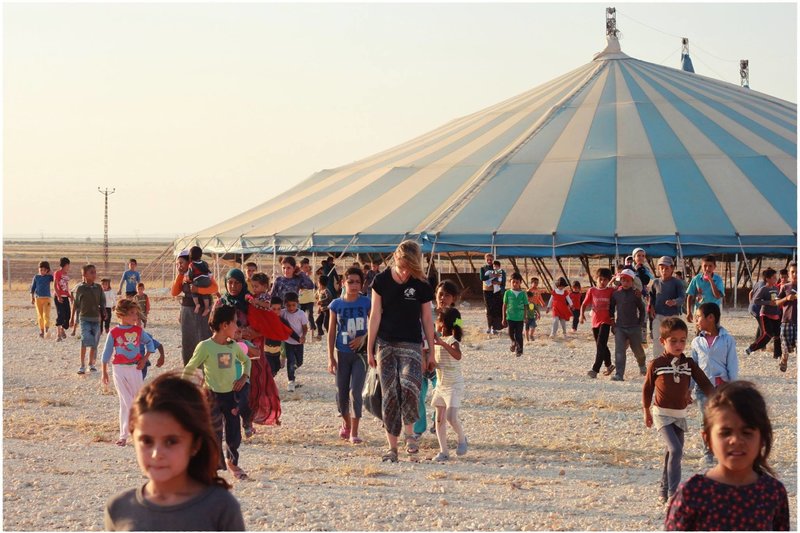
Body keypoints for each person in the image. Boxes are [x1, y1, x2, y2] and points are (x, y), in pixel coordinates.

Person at [104, 373, 245, 531]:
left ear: (195, 444)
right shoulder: (119, 508)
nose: (157, 453)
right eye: (147, 441)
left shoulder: (220, 507)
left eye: (171, 441)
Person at [664, 381, 789, 531]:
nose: (735, 440)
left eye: (747, 432)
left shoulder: (772, 493)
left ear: (762, 438)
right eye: (725, 433)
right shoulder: (692, 493)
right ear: (708, 439)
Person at [368, 240, 435, 463]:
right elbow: (375, 314)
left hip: (412, 342)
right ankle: (392, 448)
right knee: (390, 393)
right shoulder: (381, 280)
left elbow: (427, 318)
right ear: (396, 258)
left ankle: (410, 434)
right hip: (385, 342)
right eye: (402, 264)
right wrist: (370, 348)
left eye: (410, 265)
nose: (405, 269)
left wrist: (431, 352)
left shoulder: (421, 283)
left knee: (410, 386)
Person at [643, 317, 714, 505]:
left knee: (670, 452)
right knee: (676, 450)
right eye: (673, 341)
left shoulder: (689, 364)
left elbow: (705, 383)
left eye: (682, 340)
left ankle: (663, 490)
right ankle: (674, 494)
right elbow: (647, 389)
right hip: (661, 414)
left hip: (680, 415)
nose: (678, 344)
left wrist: (721, 399)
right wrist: (646, 411)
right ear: (662, 342)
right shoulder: (656, 364)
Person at [182, 305, 251, 480]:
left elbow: (246, 361)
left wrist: (244, 377)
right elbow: (190, 368)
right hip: (211, 396)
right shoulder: (205, 346)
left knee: (234, 432)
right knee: (213, 433)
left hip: (231, 396)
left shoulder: (234, 346)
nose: (238, 326)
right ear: (225, 325)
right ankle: (212, 466)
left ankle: (232, 463)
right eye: (235, 323)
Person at [101, 299, 155, 446]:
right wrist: (104, 372)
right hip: (118, 369)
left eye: (136, 314)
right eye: (132, 314)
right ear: (121, 315)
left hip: (135, 369)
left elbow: (150, 344)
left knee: (135, 400)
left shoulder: (138, 331)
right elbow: (106, 353)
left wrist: (145, 359)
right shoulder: (114, 332)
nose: (135, 317)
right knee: (126, 401)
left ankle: (133, 433)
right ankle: (127, 434)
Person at [327, 266, 371, 444]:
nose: (354, 285)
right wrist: (330, 357)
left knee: (356, 392)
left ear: (362, 284)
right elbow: (331, 331)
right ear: (343, 283)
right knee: (341, 393)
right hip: (342, 353)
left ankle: (354, 431)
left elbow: (376, 324)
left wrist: (363, 338)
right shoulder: (336, 305)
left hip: (360, 355)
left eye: (357, 282)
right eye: (350, 281)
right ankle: (345, 424)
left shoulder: (367, 302)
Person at [691, 302, 738, 466]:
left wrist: (733, 388)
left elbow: (732, 364)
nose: (696, 321)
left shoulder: (727, 340)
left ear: (710, 318)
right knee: (705, 421)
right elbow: (693, 368)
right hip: (702, 389)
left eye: (698, 317)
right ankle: (707, 453)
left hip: (722, 388)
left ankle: (723, 450)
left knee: (723, 421)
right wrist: (687, 390)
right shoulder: (696, 342)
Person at [415, 279, 461, 438]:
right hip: (423, 358)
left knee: (440, 395)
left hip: (442, 364)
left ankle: (437, 423)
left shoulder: (456, 316)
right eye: (440, 294)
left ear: (453, 298)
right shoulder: (426, 312)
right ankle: (418, 429)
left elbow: (459, 335)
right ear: (435, 295)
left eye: (447, 295)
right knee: (419, 394)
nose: (443, 298)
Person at [431, 307, 468, 462]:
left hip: (454, 385)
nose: (436, 323)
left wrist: (441, 343)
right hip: (441, 385)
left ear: (443, 323)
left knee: (451, 418)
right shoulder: (437, 340)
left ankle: (462, 438)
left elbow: (457, 356)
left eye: (438, 320)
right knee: (439, 419)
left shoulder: (453, 341)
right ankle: (444, 451)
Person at [171, 251, 218, 366]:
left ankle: (208, 370)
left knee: (205, 338)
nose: (179, 266)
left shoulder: (202, 272)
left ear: (189, 262)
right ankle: (190, 371)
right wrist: (180, 274)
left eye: (181, 263)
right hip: (187, 312)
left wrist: (198, 291)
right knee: (188, 341)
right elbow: (174, 292)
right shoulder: (184, 275)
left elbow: (214, 288)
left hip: (203, 312)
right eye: (177, 264)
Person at [609, 269, 647, 381]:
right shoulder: (616, 294)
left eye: (628, 280)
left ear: (632, 281)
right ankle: (619, 374)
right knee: (619, 351)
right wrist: (613, 323)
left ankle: (642, 365)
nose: (625, 283)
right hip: (620, 327)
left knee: (637, 350)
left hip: (634, 327)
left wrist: (640, 324)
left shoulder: (636, 294)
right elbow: (611, 308)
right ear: (620, 280)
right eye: (623, 280)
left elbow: (642, 310)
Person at [71, 264, 106, 374]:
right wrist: (72, 318)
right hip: (84, 318)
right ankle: (82, 365)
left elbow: (102, 302)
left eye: (95, 272)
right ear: (84, 275)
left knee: (94, 343)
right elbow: (75, 304)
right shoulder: (80, 288)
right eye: (92, 272)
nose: (94, 274)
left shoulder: (98, 287)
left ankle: (91, 364)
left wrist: (104, 311)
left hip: (96, 319)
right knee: (85, 340)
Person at [648, 256, 686, 359]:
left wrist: (674, 302)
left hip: (672, 317)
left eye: (667, 268)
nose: (664, 270)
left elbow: (682, 297)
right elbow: (651, 297)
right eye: (661, 268)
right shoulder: (656, 282)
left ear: (672, 269)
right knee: (657, 339)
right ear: (658, 269)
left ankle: (674, 359)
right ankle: (658, 361)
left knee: (673, 339)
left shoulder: (677, 283)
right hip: (658, 315)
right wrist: (651, 307)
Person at [581, 268, 615, 378]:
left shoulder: (611, 291)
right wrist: (581, 315)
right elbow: (584, 304)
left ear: (608, 280)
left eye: (605, 280)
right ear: (596, 279)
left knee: (600, 344)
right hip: (595, 322)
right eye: (600, 279)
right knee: (601, 345)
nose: (602, 282)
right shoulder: (591, 291)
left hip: (606, 321)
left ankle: (595, 369)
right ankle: (609, 365)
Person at [745, 268, 783, 361]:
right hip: (765, 314)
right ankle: (751, 348)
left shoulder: (776, 288)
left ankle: (777, 355)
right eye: (774, 278)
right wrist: (768, 302)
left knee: (778, 335)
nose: (776, 279)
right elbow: (755, 300)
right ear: (767, 279)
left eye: (776, 277)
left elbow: (777, 299)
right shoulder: (763, 289)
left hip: (775, 314)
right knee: (767, 335)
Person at [280, 292, 308, 392]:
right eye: (288, 305)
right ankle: (291, 380)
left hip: (299, 342)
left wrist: (303, 336)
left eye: (293, 305)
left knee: (299, 362)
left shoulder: (301, 314)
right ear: (285, 304)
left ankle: (292, 369)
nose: (291, 308)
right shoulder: (283, 312)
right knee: (290, 361)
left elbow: (305, 327)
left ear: (297, 303)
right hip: (288, 342)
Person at [685, 255, 724, 322]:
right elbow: (690, 296)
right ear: (701, 266)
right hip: (699, 311)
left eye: (710, 266)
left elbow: (717, 296)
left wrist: (711, 280)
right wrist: (689, 312)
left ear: (714, 267)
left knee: (713, 331)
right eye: (705, 266)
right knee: (699, 331)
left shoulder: (718, 280)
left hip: (713, 312)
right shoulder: (696, 279)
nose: (707, 268)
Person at [777, 262, 797, 372]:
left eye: (797, 272)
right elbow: (776, 302)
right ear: (789, 274)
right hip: (786, 323)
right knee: (786, 349)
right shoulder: (785, 287)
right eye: (792, 272)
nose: (795, 274)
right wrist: (786, 298)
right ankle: (784, 359)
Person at [502, 272, 528, 356]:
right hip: (510, 317)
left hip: (520, 318)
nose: (515, 284)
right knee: (510, 332)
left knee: (519, 334)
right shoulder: (507, 293)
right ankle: (513, 342)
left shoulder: (523, 293)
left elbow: (525, 306)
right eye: (513, 282)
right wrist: (503, 318)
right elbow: (504, 305)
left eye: (517, 282)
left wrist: (525, 317)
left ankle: (519, 350)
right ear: (510, 282)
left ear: (520, 283)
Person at [632, 247, 653, 344]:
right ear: (634, 257)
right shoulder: (629, 269)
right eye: (638, 255)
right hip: (632, 298)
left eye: (643, 256)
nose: (640, 258)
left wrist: (640, 270)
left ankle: (643, 339)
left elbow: (648, 281)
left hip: (644, 298)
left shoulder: (646, 269)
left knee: (643, 317)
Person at [186, 246, 215, 316]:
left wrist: (190, 280)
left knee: (193, 291)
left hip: (198, 281)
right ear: (200, 255)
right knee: (205, 293)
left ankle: (197, 304)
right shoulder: (204, 263)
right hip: (207, 280)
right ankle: (207, 308)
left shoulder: (191, 265)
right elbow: (207, 271)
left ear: (191, 256)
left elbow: (190, 275)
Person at [30, 260, 54, 338]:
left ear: (47, 270)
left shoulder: (49, 277)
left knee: (46, 314)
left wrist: (50, 271)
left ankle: (47, 329)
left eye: (44, 270)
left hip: (47, 299)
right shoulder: (36, 277)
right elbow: (32, 288)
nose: (42, 271)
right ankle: (42, 331)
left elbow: (55, 277)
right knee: (40, 316)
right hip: (38, 299)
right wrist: (32, 297)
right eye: (40, 270)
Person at [53, 257, 73, 342]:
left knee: (68, 314)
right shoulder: (58, 273)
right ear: (65, 265)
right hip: (58, 297)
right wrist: (58, 296)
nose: (69, 267)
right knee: (60, 314)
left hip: (65, 297)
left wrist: (69, 295)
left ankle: (62, 329)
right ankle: (58, 334)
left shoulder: (66, 275)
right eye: (68, 265)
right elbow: (55, 285)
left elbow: (65, 287)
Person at [480, 253, 497, 334]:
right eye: (488, 259)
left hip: (494, 290)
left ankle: (494, 327)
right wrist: (491, 275)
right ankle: (489, 327)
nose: (489, 261)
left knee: (494, 309)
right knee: (488, 310)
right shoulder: (483, 268)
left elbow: (499, 276)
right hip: (486, 290)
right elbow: (482, 278)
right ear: (485, 260)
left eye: (491, 259)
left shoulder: (495, 267)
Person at [298, 259, 316, 332]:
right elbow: (308, 286)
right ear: (301, 268)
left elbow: (312, 286)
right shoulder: (300, 276)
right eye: (305, 267)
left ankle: (312, 331)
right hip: (302, 299)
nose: (307, 269)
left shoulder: (307, 276)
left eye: (308, 267)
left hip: (309, 298)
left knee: (310, 316)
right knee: (301, 315)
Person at [315, 275, 333, 339]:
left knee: (326, 324)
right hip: (322, 310)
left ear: (320, 283)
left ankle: (331, 334)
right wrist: (319, 308)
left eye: (318, 282)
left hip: (327, 310)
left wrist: (321, 301)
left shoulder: (326, 291)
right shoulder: (319, 291)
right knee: (318, 321)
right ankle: (320, 333)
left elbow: (329, 298)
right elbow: (317, 298)